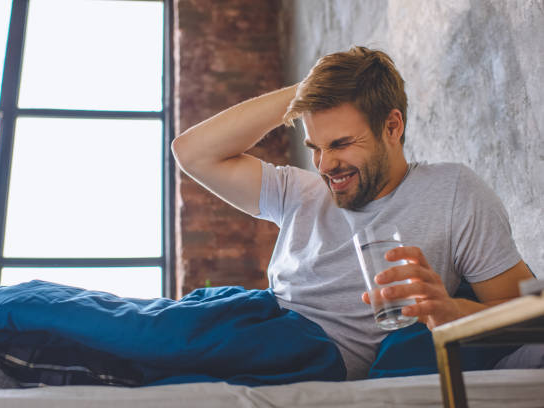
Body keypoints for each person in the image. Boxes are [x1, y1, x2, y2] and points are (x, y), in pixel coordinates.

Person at [171, 46, 533, 380]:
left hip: (305, 348)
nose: (325, 164)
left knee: (133, 336)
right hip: (252, 315)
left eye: (341, 144)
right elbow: (192, 153)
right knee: (140, 325)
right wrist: (310, 88)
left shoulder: (453, 192)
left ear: (392, 127)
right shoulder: (300, 190)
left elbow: (528, 313)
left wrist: (452, 312)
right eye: (315, 147)